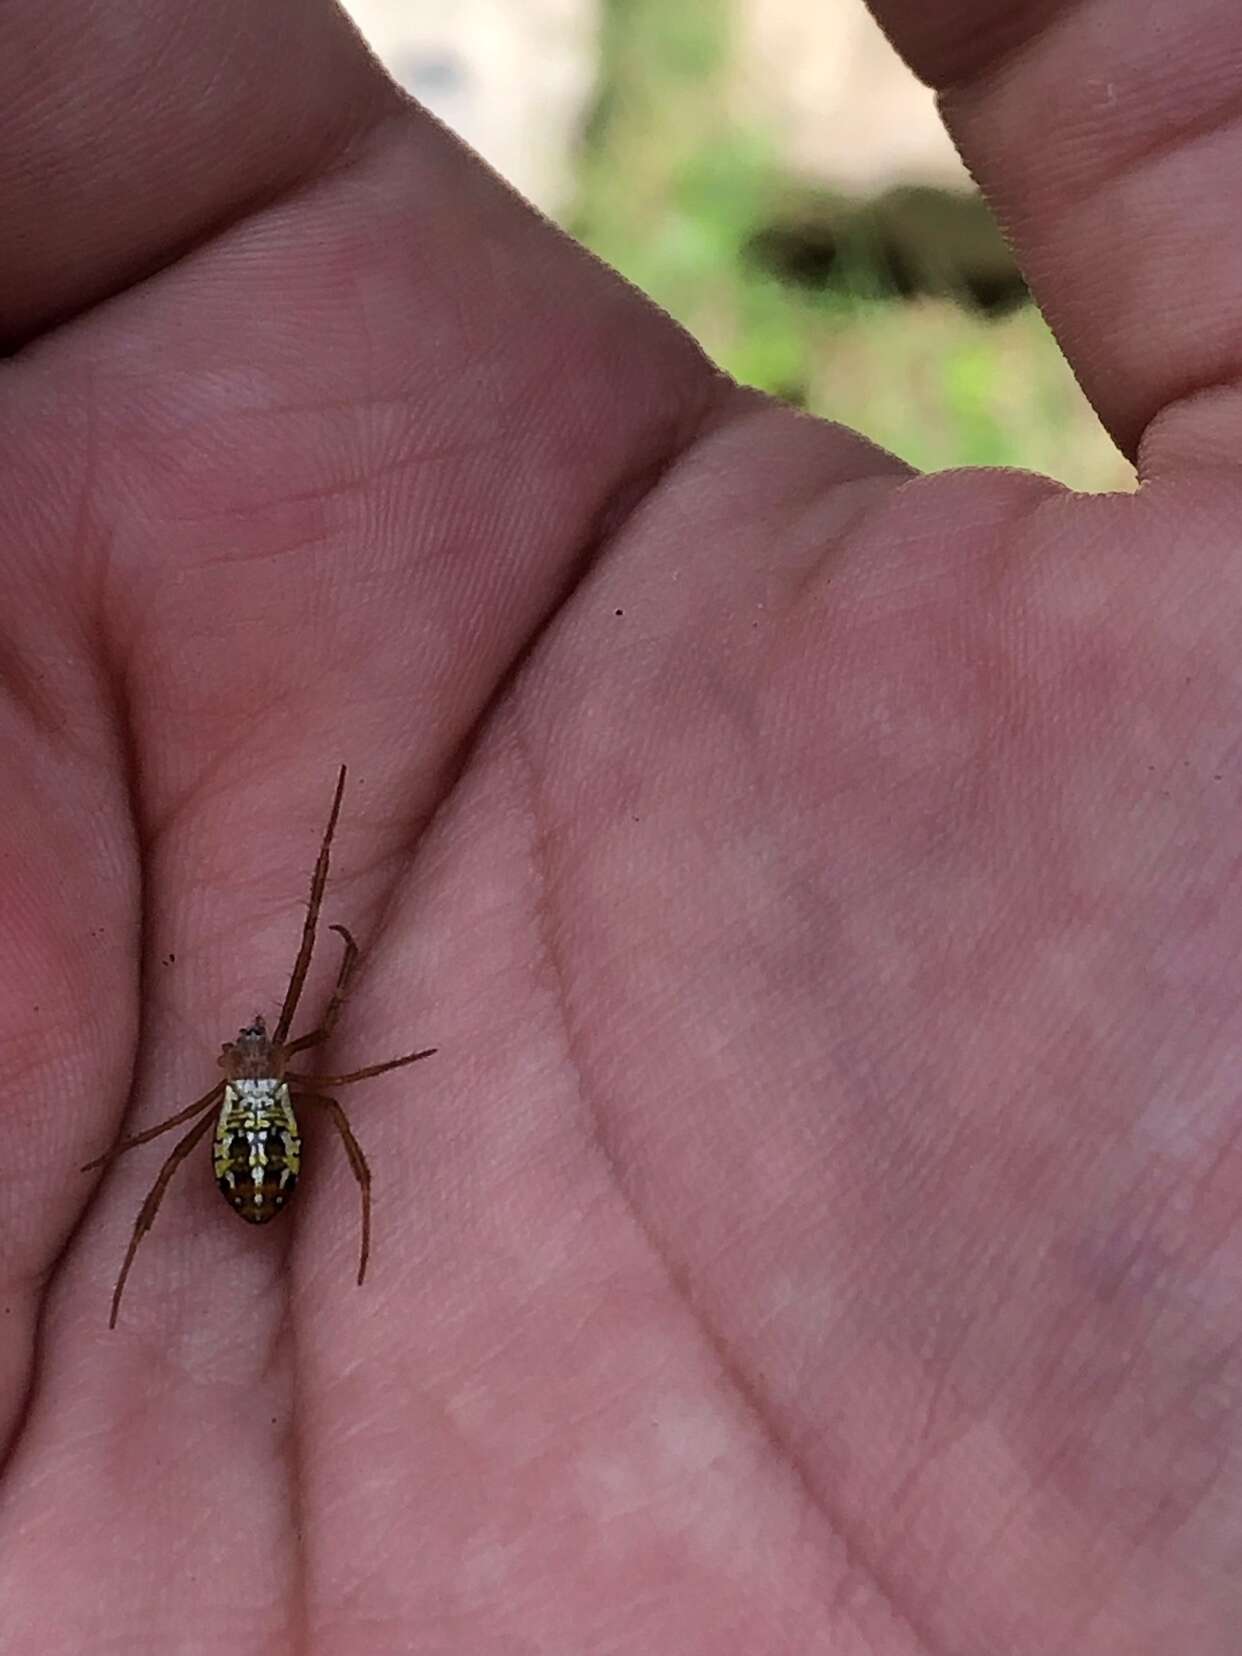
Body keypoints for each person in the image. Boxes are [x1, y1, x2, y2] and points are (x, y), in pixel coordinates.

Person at [0, 0, 1231, 1647]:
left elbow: (257, 1121)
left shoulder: (252, 1090)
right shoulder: (284, 1089)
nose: (252, 1050)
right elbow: (301, 1113)